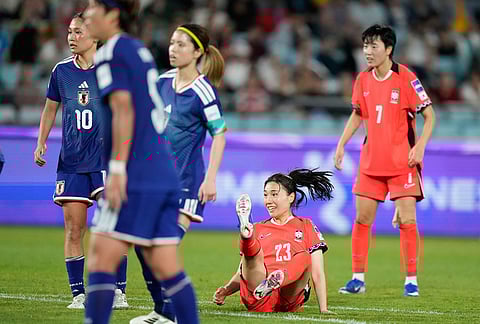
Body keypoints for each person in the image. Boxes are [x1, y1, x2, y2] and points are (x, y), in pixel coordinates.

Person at [83, 1, 199, 323]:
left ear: (112, 15)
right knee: (166, 265)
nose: (86, 15)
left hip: (136, 174)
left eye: (92, 9)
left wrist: (117, 168)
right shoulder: (138, 50)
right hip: (164, 174)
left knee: (100, 258)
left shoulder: (111, 53)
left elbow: (124, 108)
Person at [130, 23, 227, 324]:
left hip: (186, 184)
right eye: (172, 43)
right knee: (142, 245)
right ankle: (163, 311)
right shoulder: (161, 81)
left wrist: (210, 178)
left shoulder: (203, 91)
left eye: (181, 44)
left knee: (163, 246)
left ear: (198, 51)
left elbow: (220, 134)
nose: (173, 49)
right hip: (154, 182)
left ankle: (174, 314)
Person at [33, 11, 128, 309]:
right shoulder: (61, 71)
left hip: (105, 160)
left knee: (113, 224)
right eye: (70, 32)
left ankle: (118, 291)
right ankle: (78, 294)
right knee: (74, 229)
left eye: (78, 33)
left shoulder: (113, 70)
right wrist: (41, 142)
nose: (72, 38)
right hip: (72, 161)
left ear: (95, 36)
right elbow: (50, 109)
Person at [334, 24, 435, 297]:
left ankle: (411, 281)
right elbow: (358, 114)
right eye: (365, 46)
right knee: (362, 219)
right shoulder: (362, 79)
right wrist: (342, 144)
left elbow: (430, 115)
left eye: (373, 46)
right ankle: (357, 279)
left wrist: (421, 147)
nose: (367, 51)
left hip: (403, 163)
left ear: (388, 49)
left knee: (407, 221)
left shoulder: (407, 78)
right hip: (371, 164)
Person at [213, 169, 333, 313]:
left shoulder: (306, 225)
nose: (268, 201)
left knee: (305, 257)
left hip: (289, 294)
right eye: (265, 195)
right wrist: (227, 290)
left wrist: (323, 309)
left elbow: (317, 273)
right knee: (253, 256)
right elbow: (244, 271)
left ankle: (278, 277)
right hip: (259, 291)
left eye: (274, 194)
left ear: (291, 197)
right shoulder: (259, 227)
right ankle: (246, 236)